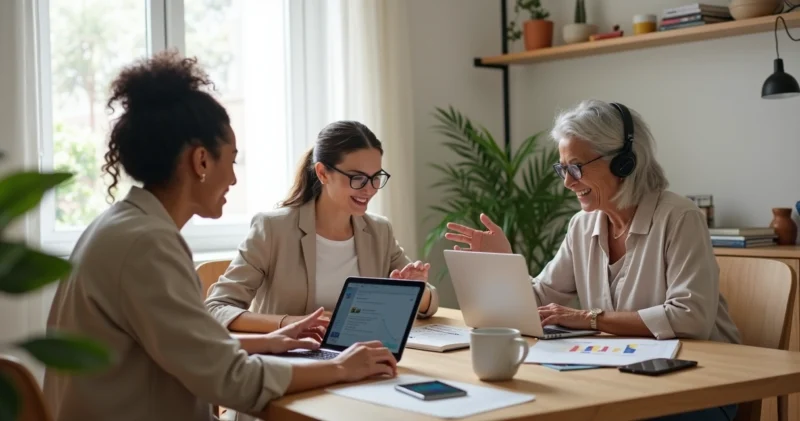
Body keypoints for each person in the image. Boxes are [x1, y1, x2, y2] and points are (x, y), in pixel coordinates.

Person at [42, 51, 397, 421]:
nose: (233, 178)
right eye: (232, 159)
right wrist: (343, 367)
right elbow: (233, 382)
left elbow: (179, 346)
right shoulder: (148, 245)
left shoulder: (122, 226)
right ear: (201, 161)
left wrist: (269, 342)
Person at [445, 99, 740, 421]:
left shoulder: (679, 217)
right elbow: (538, 304)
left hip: (701, 384)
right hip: (625, 377)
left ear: (624, 163)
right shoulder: (583, 225)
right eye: (562, 169)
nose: (567, 182)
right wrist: (502, 265)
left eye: (576, 167)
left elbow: (690, 318)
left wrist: (589, 318)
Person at [204, 120, 439, 334]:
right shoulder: (273, 229)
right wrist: (291, 323)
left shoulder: (378, 231)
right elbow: (217, 307)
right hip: (291, 357)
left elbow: (430, 304)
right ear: (323, 173)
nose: (370, 189)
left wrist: (417, 290)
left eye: (376, 177)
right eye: (357, 178)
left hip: (361, 354)